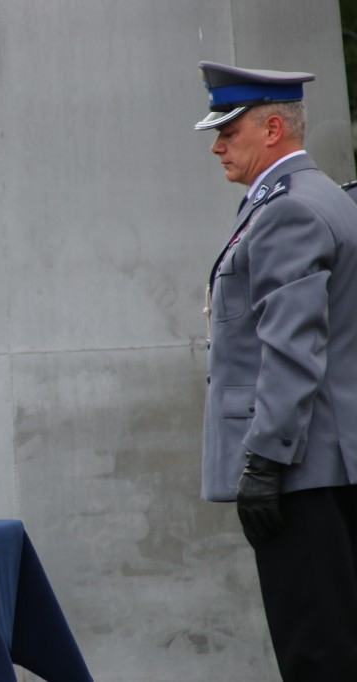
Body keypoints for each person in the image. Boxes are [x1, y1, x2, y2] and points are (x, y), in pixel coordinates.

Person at [195, 61, 357, 680]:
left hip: (302, 467)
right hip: (324, 460)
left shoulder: (289, 209)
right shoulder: (319, 196)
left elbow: (291, 349)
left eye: (226, 131)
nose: (215, 145)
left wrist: (264, 460)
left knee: (316, 651)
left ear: (270, 129)